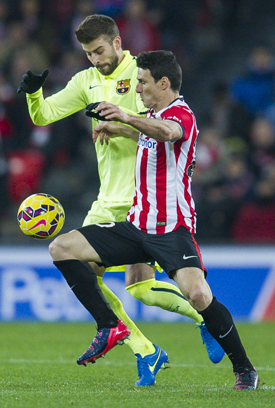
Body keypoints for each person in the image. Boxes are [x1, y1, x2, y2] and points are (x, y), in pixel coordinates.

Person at [17, 14, 224, 386]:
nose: (95, 59)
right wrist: (34, 92)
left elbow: (163, 131)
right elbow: (44, 115)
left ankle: (202, 320)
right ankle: (146, 349)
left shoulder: (141, 76)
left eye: (99, 51)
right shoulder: (86, 81)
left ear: (116, 42)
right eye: (88, 54)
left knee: (139, 287)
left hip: (141, 200)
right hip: (105, 198)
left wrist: (122, 123)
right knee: (91, 278)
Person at [48, 50, 259, 390]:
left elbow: (167, 133)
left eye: (143, 82)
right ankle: (108, 326)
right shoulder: (151, 115)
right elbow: (150, 136)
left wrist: (126, 116)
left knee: (199, 297)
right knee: (62, 247)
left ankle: (245, 369)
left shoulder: (180, 114)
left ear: (163, 83)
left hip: (172, 230)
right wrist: (120, 129)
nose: (138, 88)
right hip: (135, 227)